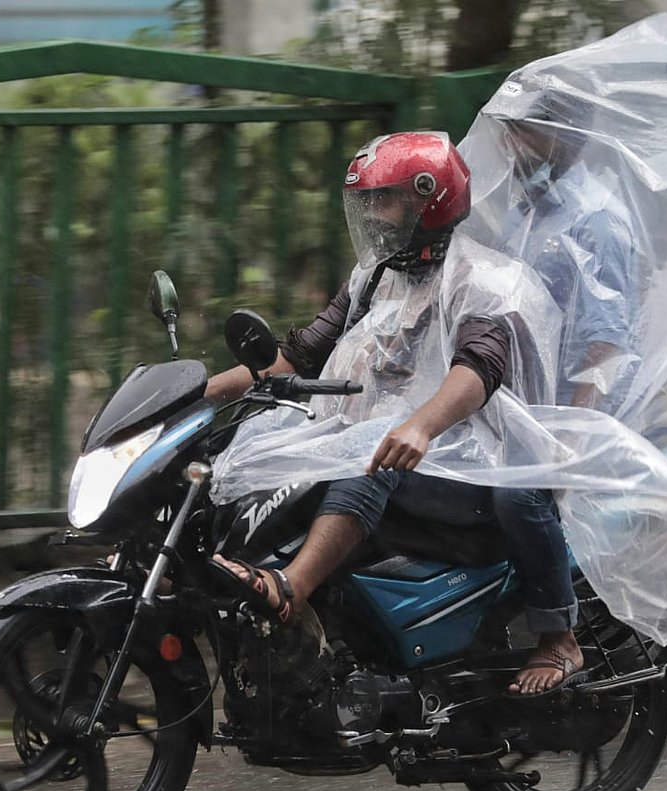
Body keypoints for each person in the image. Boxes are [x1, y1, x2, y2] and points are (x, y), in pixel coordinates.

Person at [203, 131, 521, 650]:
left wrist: (420, 426)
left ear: (429, 201)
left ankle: (291, 588)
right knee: (252, 443)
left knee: (372, 455)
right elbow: (298, 356)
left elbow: (478, 368)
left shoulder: (479, 279)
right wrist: (195, 394)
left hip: (463, 461)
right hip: (388, 443)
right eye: (366, 201)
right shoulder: (376, 277)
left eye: (385, 199)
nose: (372, 214)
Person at [467, 86, 639, 695]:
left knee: (519, 493)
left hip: (571, 410)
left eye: (527, 132)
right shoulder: (528, 212)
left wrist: (568, 437)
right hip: (517, 403)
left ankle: (559, 636)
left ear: (567, 137)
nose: (513, 145)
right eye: (510, 132)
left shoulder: (597, 220)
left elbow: (605, 343)